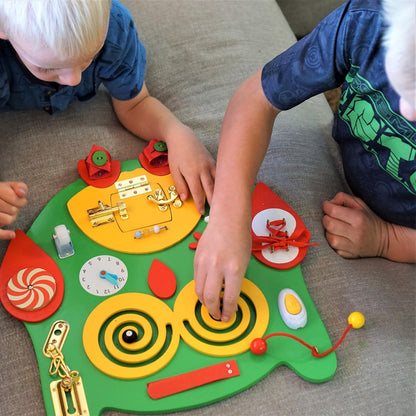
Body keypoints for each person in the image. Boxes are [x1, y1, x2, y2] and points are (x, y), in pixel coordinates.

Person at [194, 0, 416, 323]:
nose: (408, 112)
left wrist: (387, 239)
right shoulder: (366, 20)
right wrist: (228, 218)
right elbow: (255, 99)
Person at [0, 0, 215, 240]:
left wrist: (176, 132)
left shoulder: (115, 29)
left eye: (87, 58)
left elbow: (135, 104)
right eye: (46, 68)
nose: (73, 79)